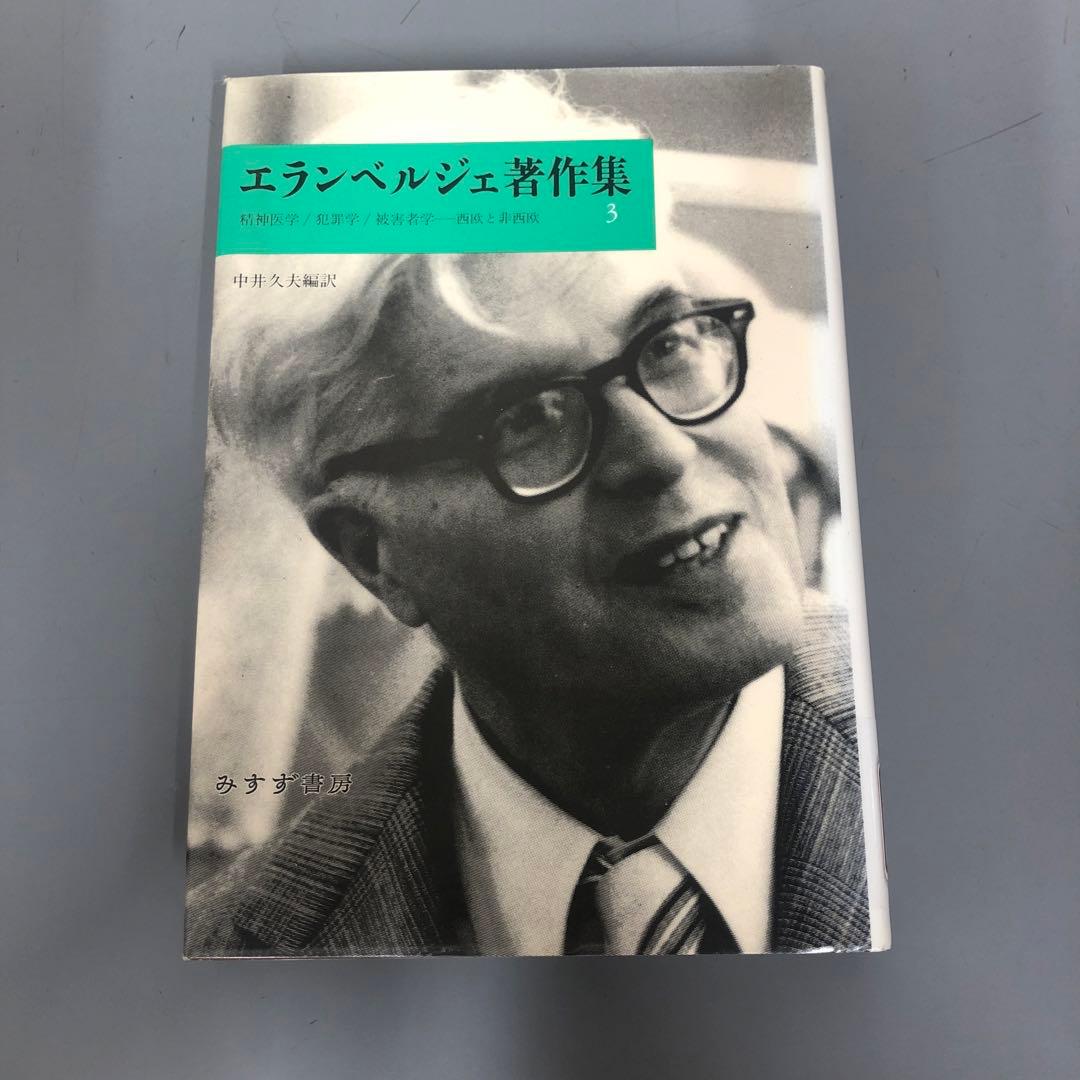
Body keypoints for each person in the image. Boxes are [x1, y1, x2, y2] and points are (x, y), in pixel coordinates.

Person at [186, 72, 869, 957]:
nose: (661, 451)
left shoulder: (1002, 755)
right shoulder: (243, 955)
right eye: (530, 418)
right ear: (371, 552)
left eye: (667, 345)